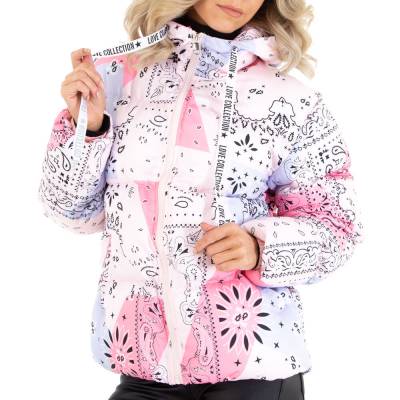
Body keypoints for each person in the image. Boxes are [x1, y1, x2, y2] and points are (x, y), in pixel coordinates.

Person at [37, 0, 364, 399]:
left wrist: (260, 248)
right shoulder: (119, 80)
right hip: (145, 368)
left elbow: (338, 228)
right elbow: (71, 214)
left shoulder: (293, 102)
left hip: (254, 369)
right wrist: (87, 129)